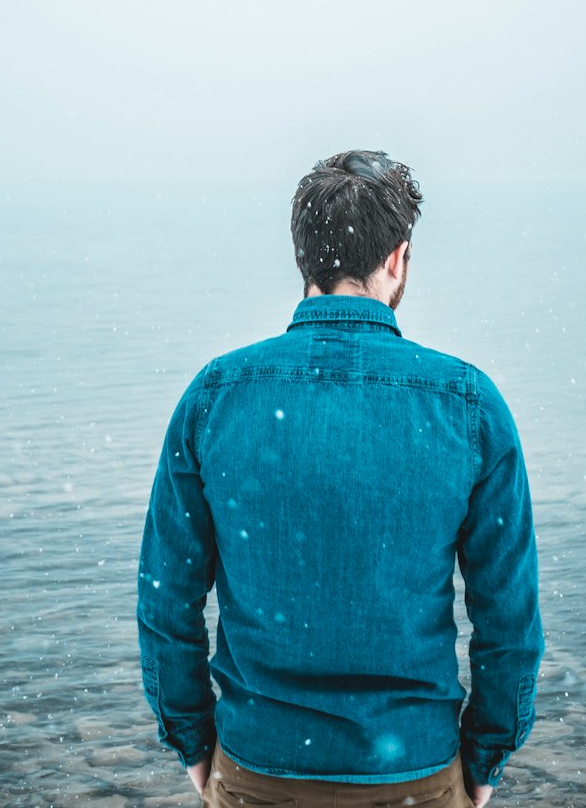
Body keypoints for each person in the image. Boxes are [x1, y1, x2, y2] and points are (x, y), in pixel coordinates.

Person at [137, 150, 544, 808]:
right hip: (415, 771)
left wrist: (193, 745)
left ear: (304, 258)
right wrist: (485, 763)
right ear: (398, 258)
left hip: (256, 768)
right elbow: (509, 621)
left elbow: (166, 601)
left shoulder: (216, 395)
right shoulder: (467, 403)